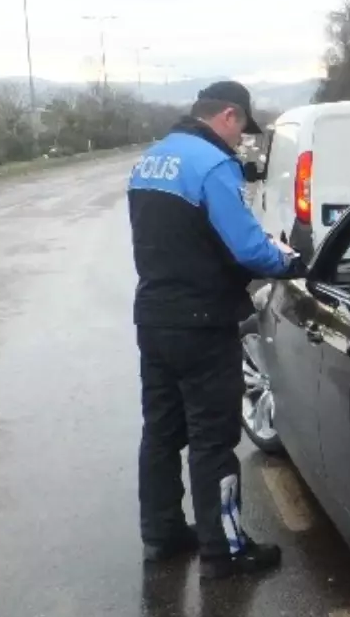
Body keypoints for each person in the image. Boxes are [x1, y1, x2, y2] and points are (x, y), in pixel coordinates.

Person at [128, 81, 306, 580]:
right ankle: (224, 550)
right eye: (240, 129)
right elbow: (249, 249)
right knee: (213, 439)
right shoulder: (211, 165)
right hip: (203, 322)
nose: (239, 141)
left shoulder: (152, 159)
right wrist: (288, 261)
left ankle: (162, 534)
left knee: (161, 432)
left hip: (154, 317)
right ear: (227, 115)